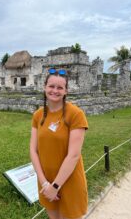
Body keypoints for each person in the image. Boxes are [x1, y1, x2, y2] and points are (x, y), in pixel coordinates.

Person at [30, 68, 88, 219]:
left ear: (66, 91)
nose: (54, 90)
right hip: (46, 180)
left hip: (68, 180)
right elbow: (33, 150)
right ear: (44, 87)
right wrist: (44, 184)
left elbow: (74, 155)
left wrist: (55, 186)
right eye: (51, 86)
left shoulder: (75, 114)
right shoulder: (38, 115)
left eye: (60, 87)